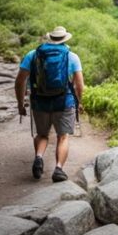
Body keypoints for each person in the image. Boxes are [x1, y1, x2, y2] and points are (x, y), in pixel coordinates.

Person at [14, 26, 84, 182]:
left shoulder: (32, 55)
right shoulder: (72, 57)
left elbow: (20, 81)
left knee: (42, 134)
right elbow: (79, 85)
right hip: (64, 102)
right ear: (65, 39)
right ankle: (58, 169)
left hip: (39, 102)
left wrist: (21, 104)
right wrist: (79, 102)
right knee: (63, 136)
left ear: (50, 38)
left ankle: (39, 157)